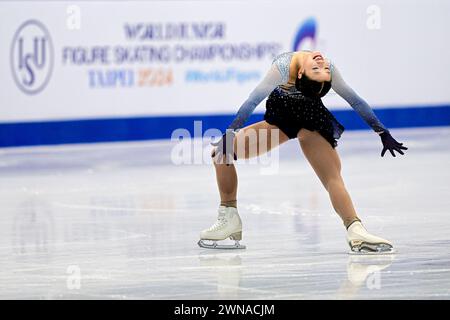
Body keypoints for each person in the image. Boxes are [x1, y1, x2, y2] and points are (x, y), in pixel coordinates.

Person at [197, 50, 407, 253]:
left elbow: (355, 101)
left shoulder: (302, 68)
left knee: (332, 178)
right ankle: (229, 218)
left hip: (311, 122)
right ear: (299, 74)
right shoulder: (284, 68)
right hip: (281, 120)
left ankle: (356, 230)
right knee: (220, 153)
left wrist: (382, 132)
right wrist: (230, 134)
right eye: (319, 68)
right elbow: (253, 102)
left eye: (321, 69)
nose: (323, 63)